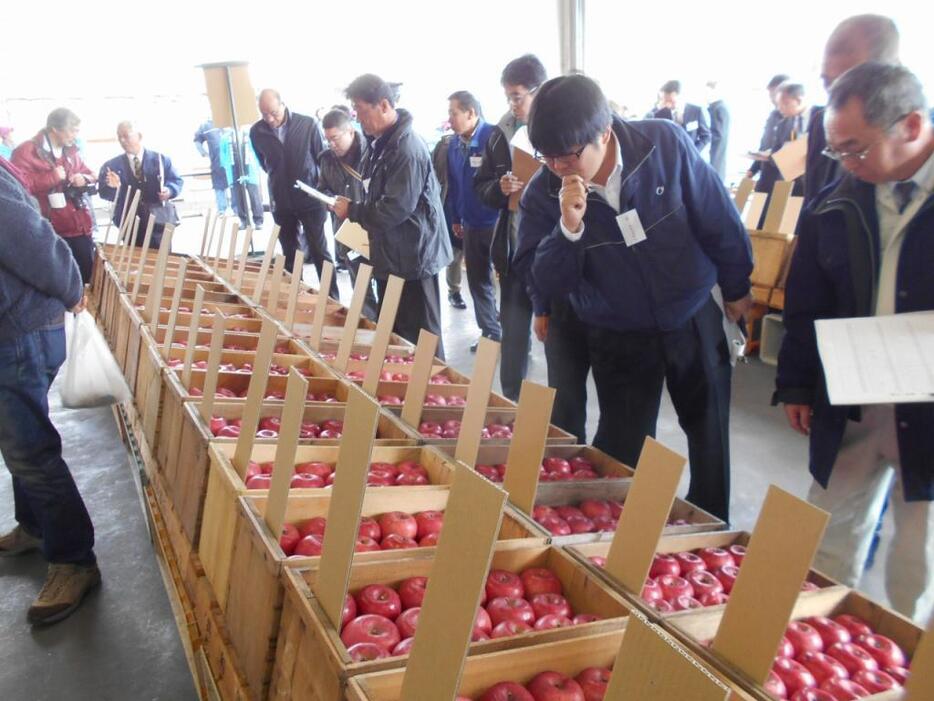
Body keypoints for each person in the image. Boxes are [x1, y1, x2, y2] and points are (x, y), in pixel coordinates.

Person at [513, 75, 753, 522]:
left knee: (708, 429)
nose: (557, 168)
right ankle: (615, 540)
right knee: (622, 446)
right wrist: (569, 229)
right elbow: (540, 280)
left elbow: (717, 215)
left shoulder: (663, 144)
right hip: (616, 328)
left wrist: (737, 287)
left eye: (567, 157)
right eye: (546, 158)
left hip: (690, 312)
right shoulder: (544, 194)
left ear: (603, 133)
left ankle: (709, 529)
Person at [774, 63, 934, 624]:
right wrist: (796, 382)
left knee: (918, 549)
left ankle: (910, 665)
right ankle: (821, 647)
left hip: (928, 404)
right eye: (836, 150)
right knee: (830, 529)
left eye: (856, 149)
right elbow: (806, 298)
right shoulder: (841, 196)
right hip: (853, 391)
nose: (846, 162)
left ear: (912, 126)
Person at [0, 155, 100, 625]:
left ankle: (74, 560)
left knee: (30, 449)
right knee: (16, 439)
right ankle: (36, 525)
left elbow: (31, 238)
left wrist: (71, 289)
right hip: (13, 325)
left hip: (16, 327)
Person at [332, 74, 452, 358]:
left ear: (383, 105)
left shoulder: (407, 148)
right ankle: (406, 394)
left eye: (362, 112)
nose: (359, 120)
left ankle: (438, 400)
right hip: (392, 255)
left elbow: (395, 207)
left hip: (415, 257)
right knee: (399, 335)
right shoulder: (381, 144)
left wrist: (354, 211)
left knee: (424, 342)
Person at [474, 54, 550, 405]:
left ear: (539, 91)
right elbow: (482, 185)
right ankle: (512, 402)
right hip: (515, 250)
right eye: (508, 97)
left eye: (518, 96)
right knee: (515, 331)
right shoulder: (500, 133)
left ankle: (560, 415)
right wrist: (499, 188)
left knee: (561, 339)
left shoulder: (562, 129)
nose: (513, 105)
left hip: (556, 251)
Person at [804, 14, 900, 207]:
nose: (834, 97)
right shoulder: (820, 123)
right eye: (827, 82)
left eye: (849, 83)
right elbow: (813, 205)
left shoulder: (914, 138)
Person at [250, 89, 338, 296]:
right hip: (281, 200)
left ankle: (332, 298)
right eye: (264, 114)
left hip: (310, 198)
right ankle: (295, 298)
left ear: (283, 104)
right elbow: (264, 163)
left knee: (319, 251)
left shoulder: (307, 124)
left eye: (273, 112)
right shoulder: (256, 132)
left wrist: (322, 189)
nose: (270, 119)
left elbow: (322, 159)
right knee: (290, 254)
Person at [12, 108, 95, 283]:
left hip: (79, 225)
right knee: (60, 283)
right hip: (49, 230)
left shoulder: (70, 150)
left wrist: (84, 178)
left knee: (87, 278)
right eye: (73, 130)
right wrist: (53, 177)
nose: (76, 135)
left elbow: (90, 173)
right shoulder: (26, 151)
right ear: (55, 129)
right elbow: (17, 186)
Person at [446, 91, 501, 351]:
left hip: (497, 222)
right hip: (470, 223)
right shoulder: (454, 145)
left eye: (453, 113)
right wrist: (456, 217)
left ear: (471, 113)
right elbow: (455, 185)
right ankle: (491, 332)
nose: (449, 119)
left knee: (509, 283)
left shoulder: (493, 136)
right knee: (478, 280)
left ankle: (515, 338)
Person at [317, 108, 378, 319]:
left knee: (387, 283)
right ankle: (370, 328)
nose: (331, 144)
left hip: (375, 227)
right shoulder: (326, 159)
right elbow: (323, 186)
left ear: (350, 131)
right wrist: (328, 200)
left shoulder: (373, 152)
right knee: (360, 287)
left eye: (335, 138)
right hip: (347, 232)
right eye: (327, 140)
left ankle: (391, 330)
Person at [97, 121, 184, 250]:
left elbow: (176, 180)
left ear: (139, 136)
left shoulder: (160, 159)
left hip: (159, 222)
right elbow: (103, 192)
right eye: (119, 136)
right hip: (129, 223)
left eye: (126, 136)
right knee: (135, 263)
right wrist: (114, 188)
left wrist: (170, 191)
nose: (122, 140)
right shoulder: (111, 166)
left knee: (163, 261)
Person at [431, 128, 466, 310]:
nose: (451, 119)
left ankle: (488, 305)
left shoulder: (487, 142)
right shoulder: (445, 145)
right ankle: (454, 291)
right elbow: (435, 176)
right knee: (454, 252)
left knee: (484, 259)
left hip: (476, 209)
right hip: (449, 204)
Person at [746, 74, 790, 185]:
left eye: (773, 94)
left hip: (782, 180)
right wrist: (752, 170)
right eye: (770, 94)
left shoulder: (795, 120)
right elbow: (764, 146)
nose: (771, 99)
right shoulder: (773, 115)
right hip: (765, 177)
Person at [651, 80, 711, 154]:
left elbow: (706, 136)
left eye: (670, 100)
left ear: (679, 95)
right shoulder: (658, 114)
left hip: (690, 159)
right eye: (665, 100)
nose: (667, 104)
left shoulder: (696, 111)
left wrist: (694, 152)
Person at [194, 120, 234, 216]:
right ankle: (222, 209)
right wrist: (203, 153)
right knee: (219, 186)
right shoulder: (205, 125)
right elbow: (197, 140)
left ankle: (237, 209)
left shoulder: (229, 119)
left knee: (234, 185)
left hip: (232, 160)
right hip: (217, 162)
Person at [706, 81, 730, 181]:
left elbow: (718, 136)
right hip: (713, 158)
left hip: (715, 158)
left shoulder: (719, 108)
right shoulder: (714, 108)